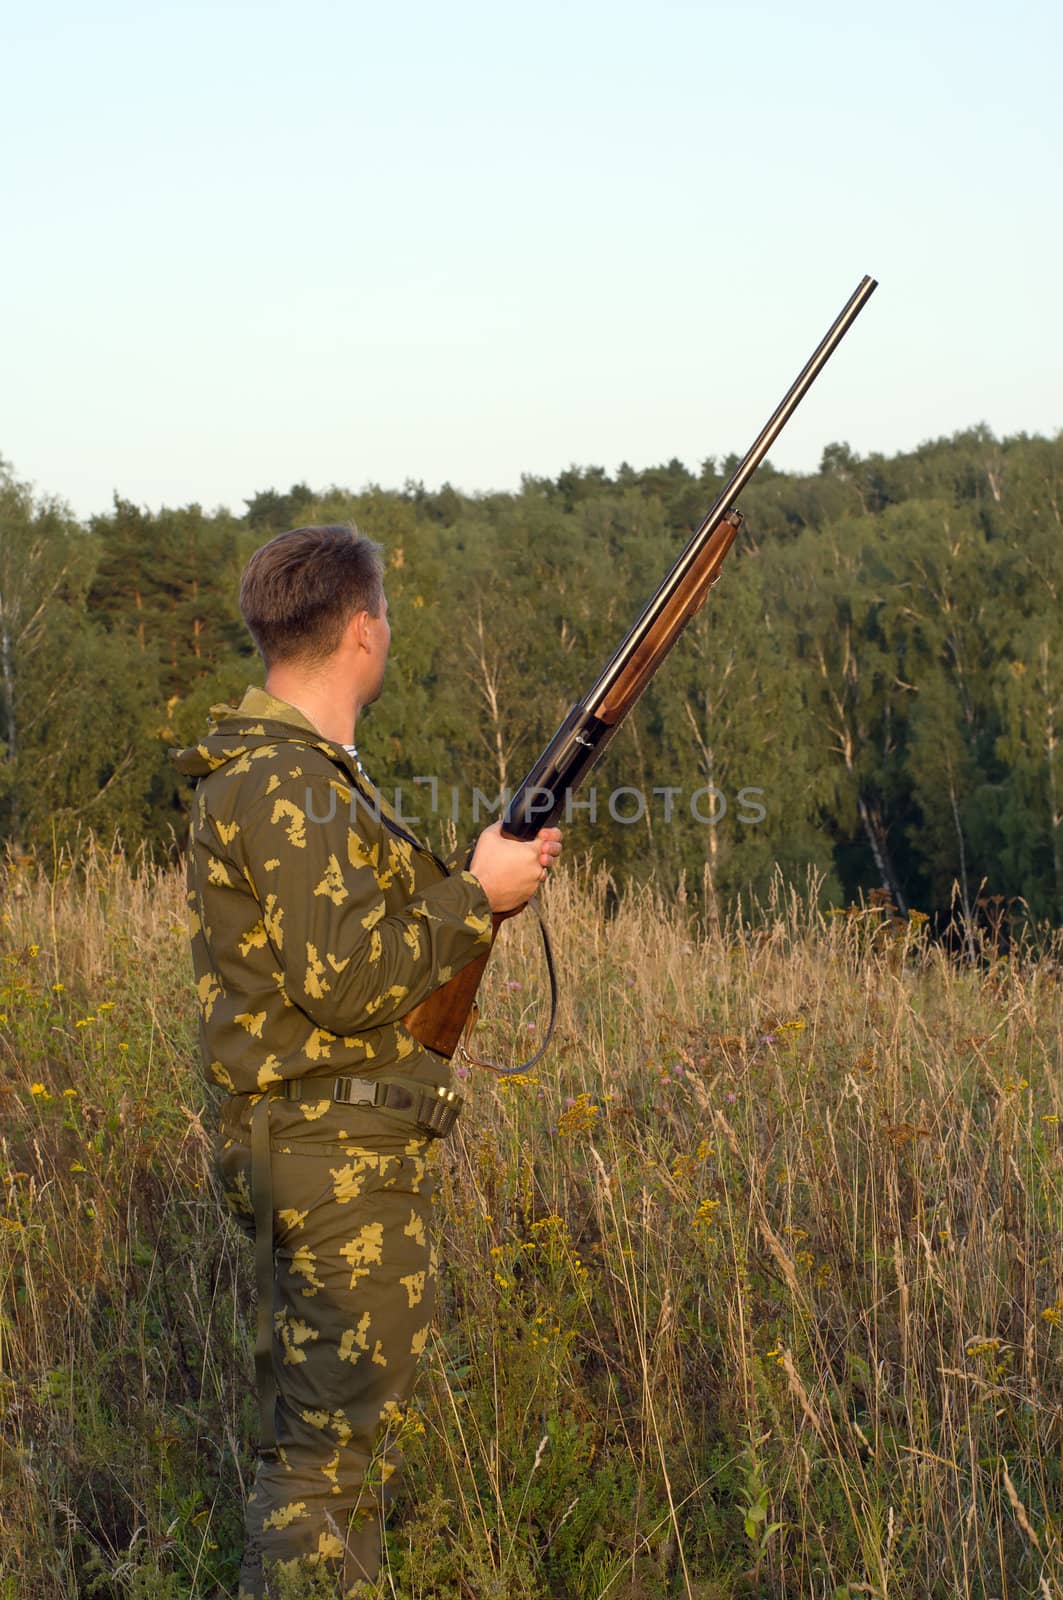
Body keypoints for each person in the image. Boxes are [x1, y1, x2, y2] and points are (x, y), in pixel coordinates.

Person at [172, 524, 561, 1598]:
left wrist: (471, 888)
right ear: (361, 630)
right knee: (324, 1469)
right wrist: (473, 894)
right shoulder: (287, 783)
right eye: (383, 614)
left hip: (315, 1145)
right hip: (328, 1158)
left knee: (313, 1458)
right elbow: (344, 979)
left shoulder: (280, 774)